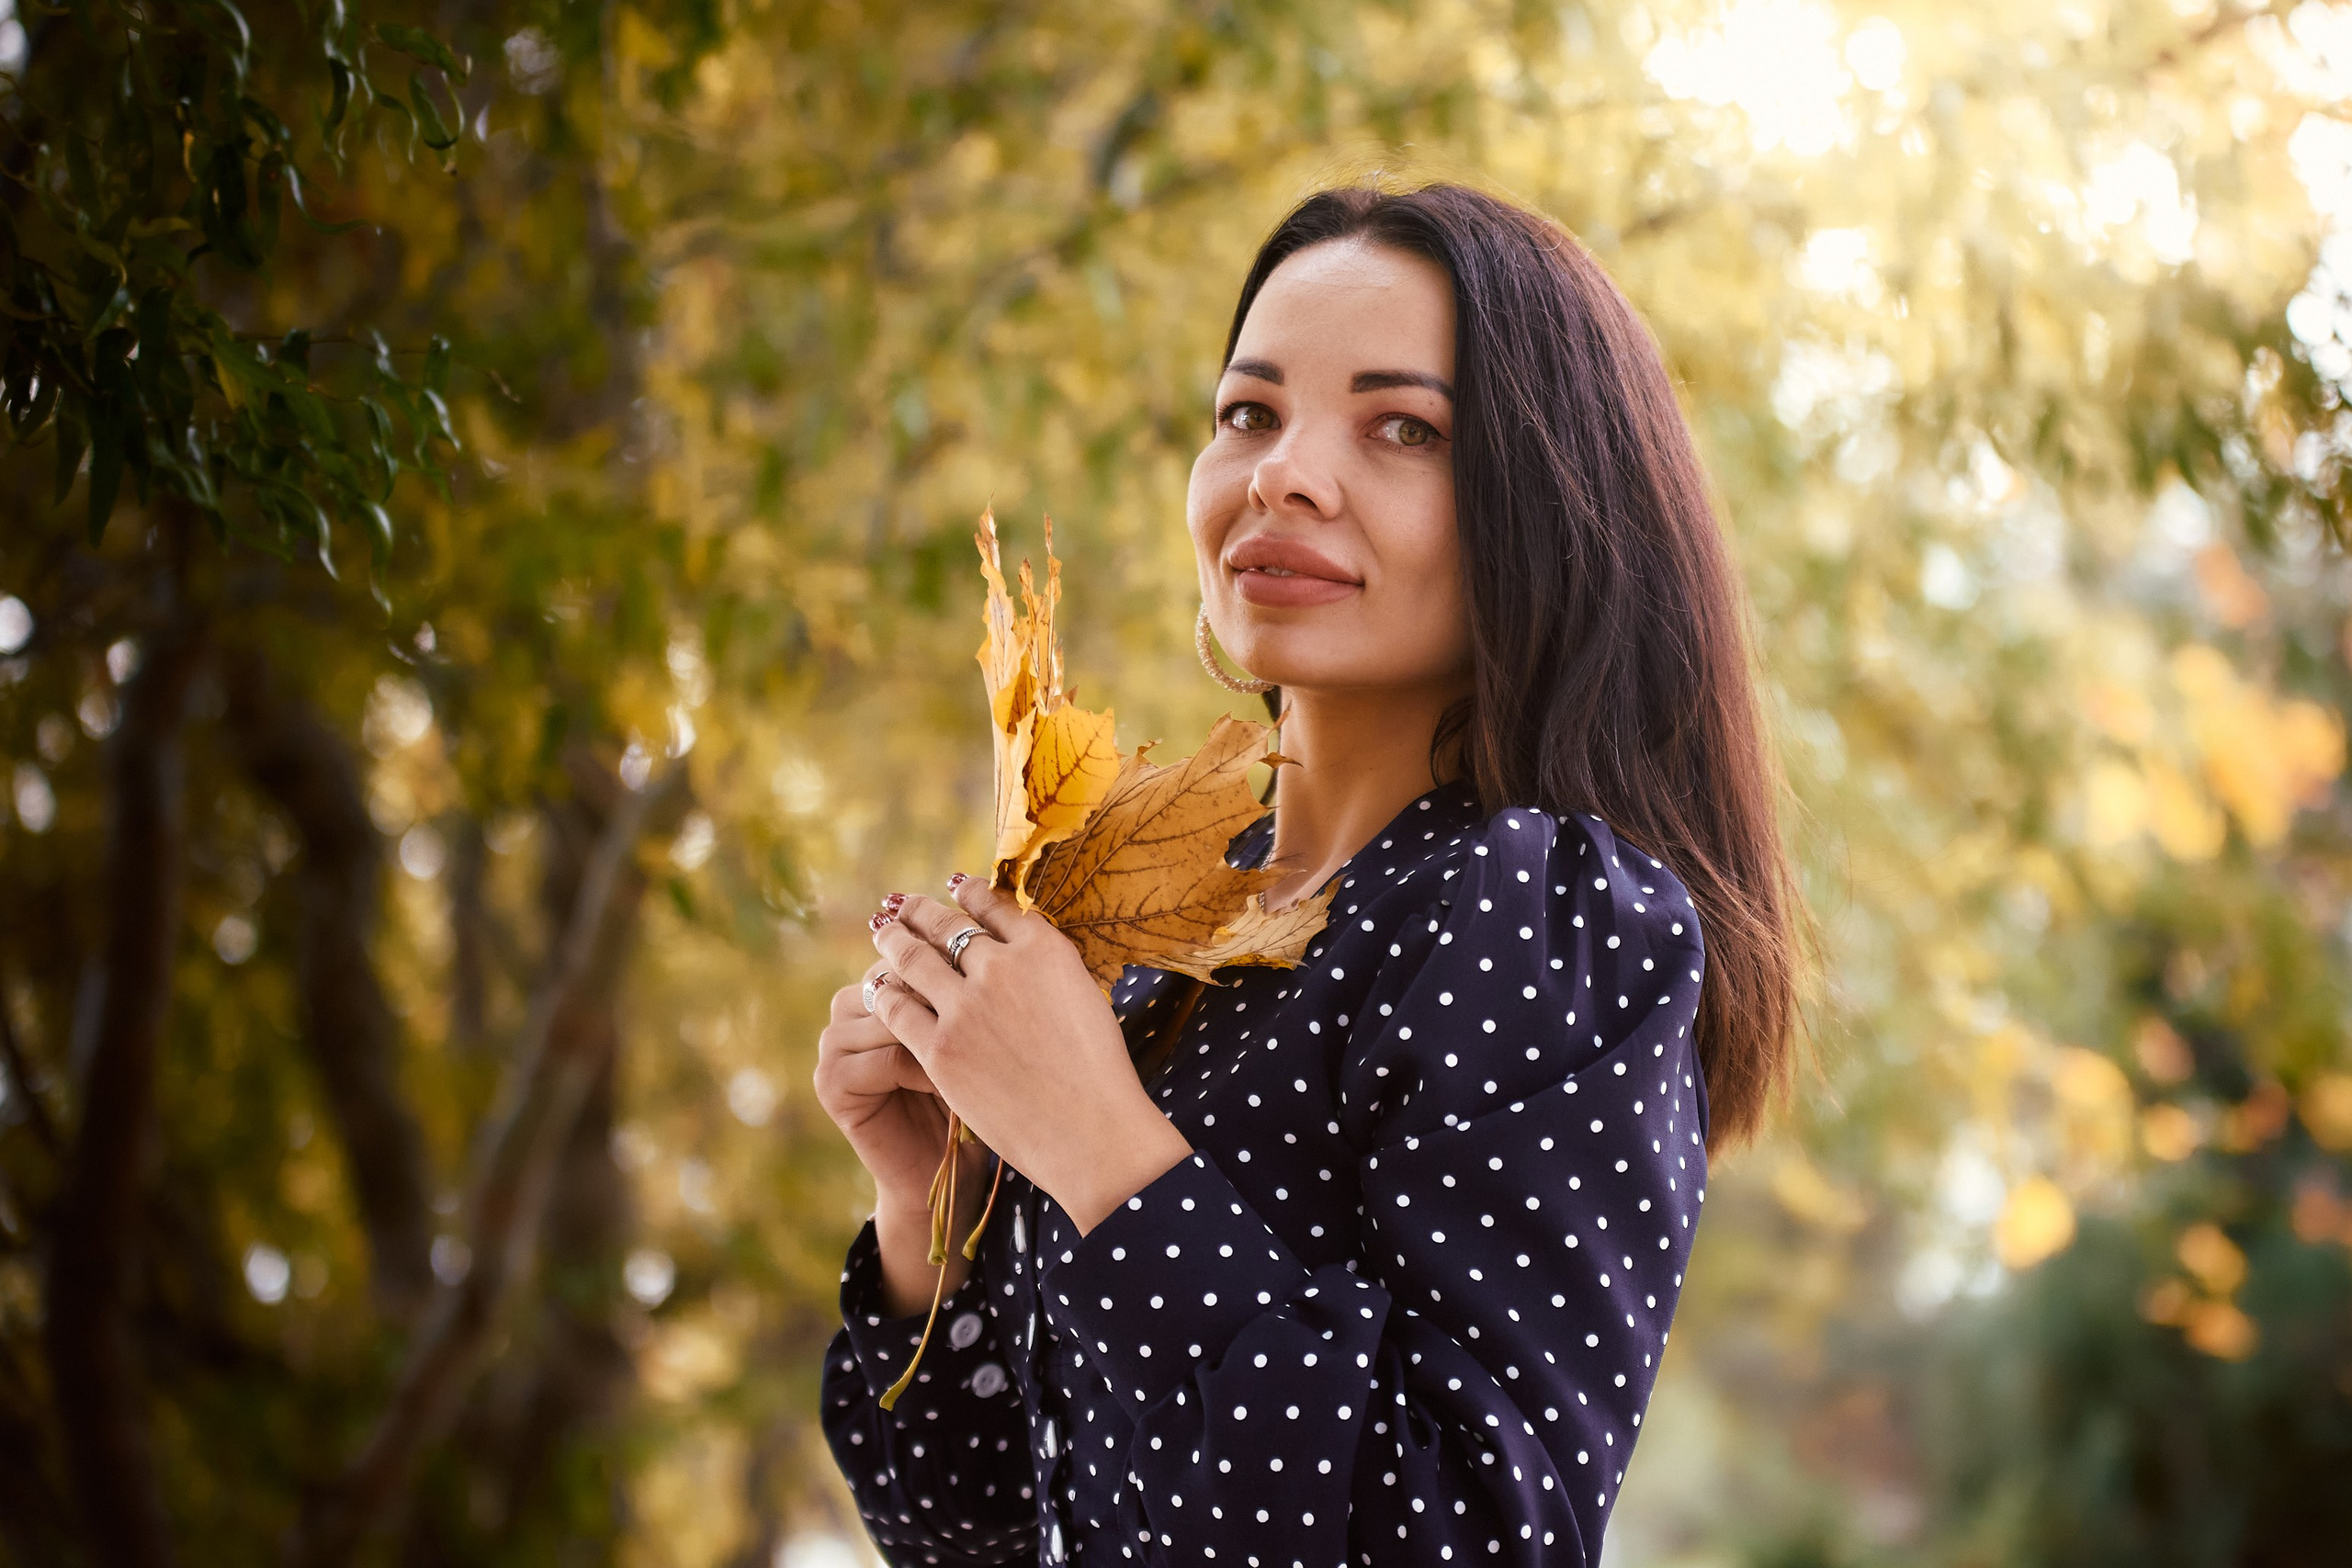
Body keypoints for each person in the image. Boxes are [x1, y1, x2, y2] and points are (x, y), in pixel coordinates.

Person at [813, 182, 1804, 1568]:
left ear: (1548, 505)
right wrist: (930, 1212)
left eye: (1403, 427)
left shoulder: (1539, 910)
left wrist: (1101, 1148)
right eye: (1249, 413)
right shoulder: (1160, 920)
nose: (1282, 471)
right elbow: (979, 1541)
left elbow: (1468, 1536)